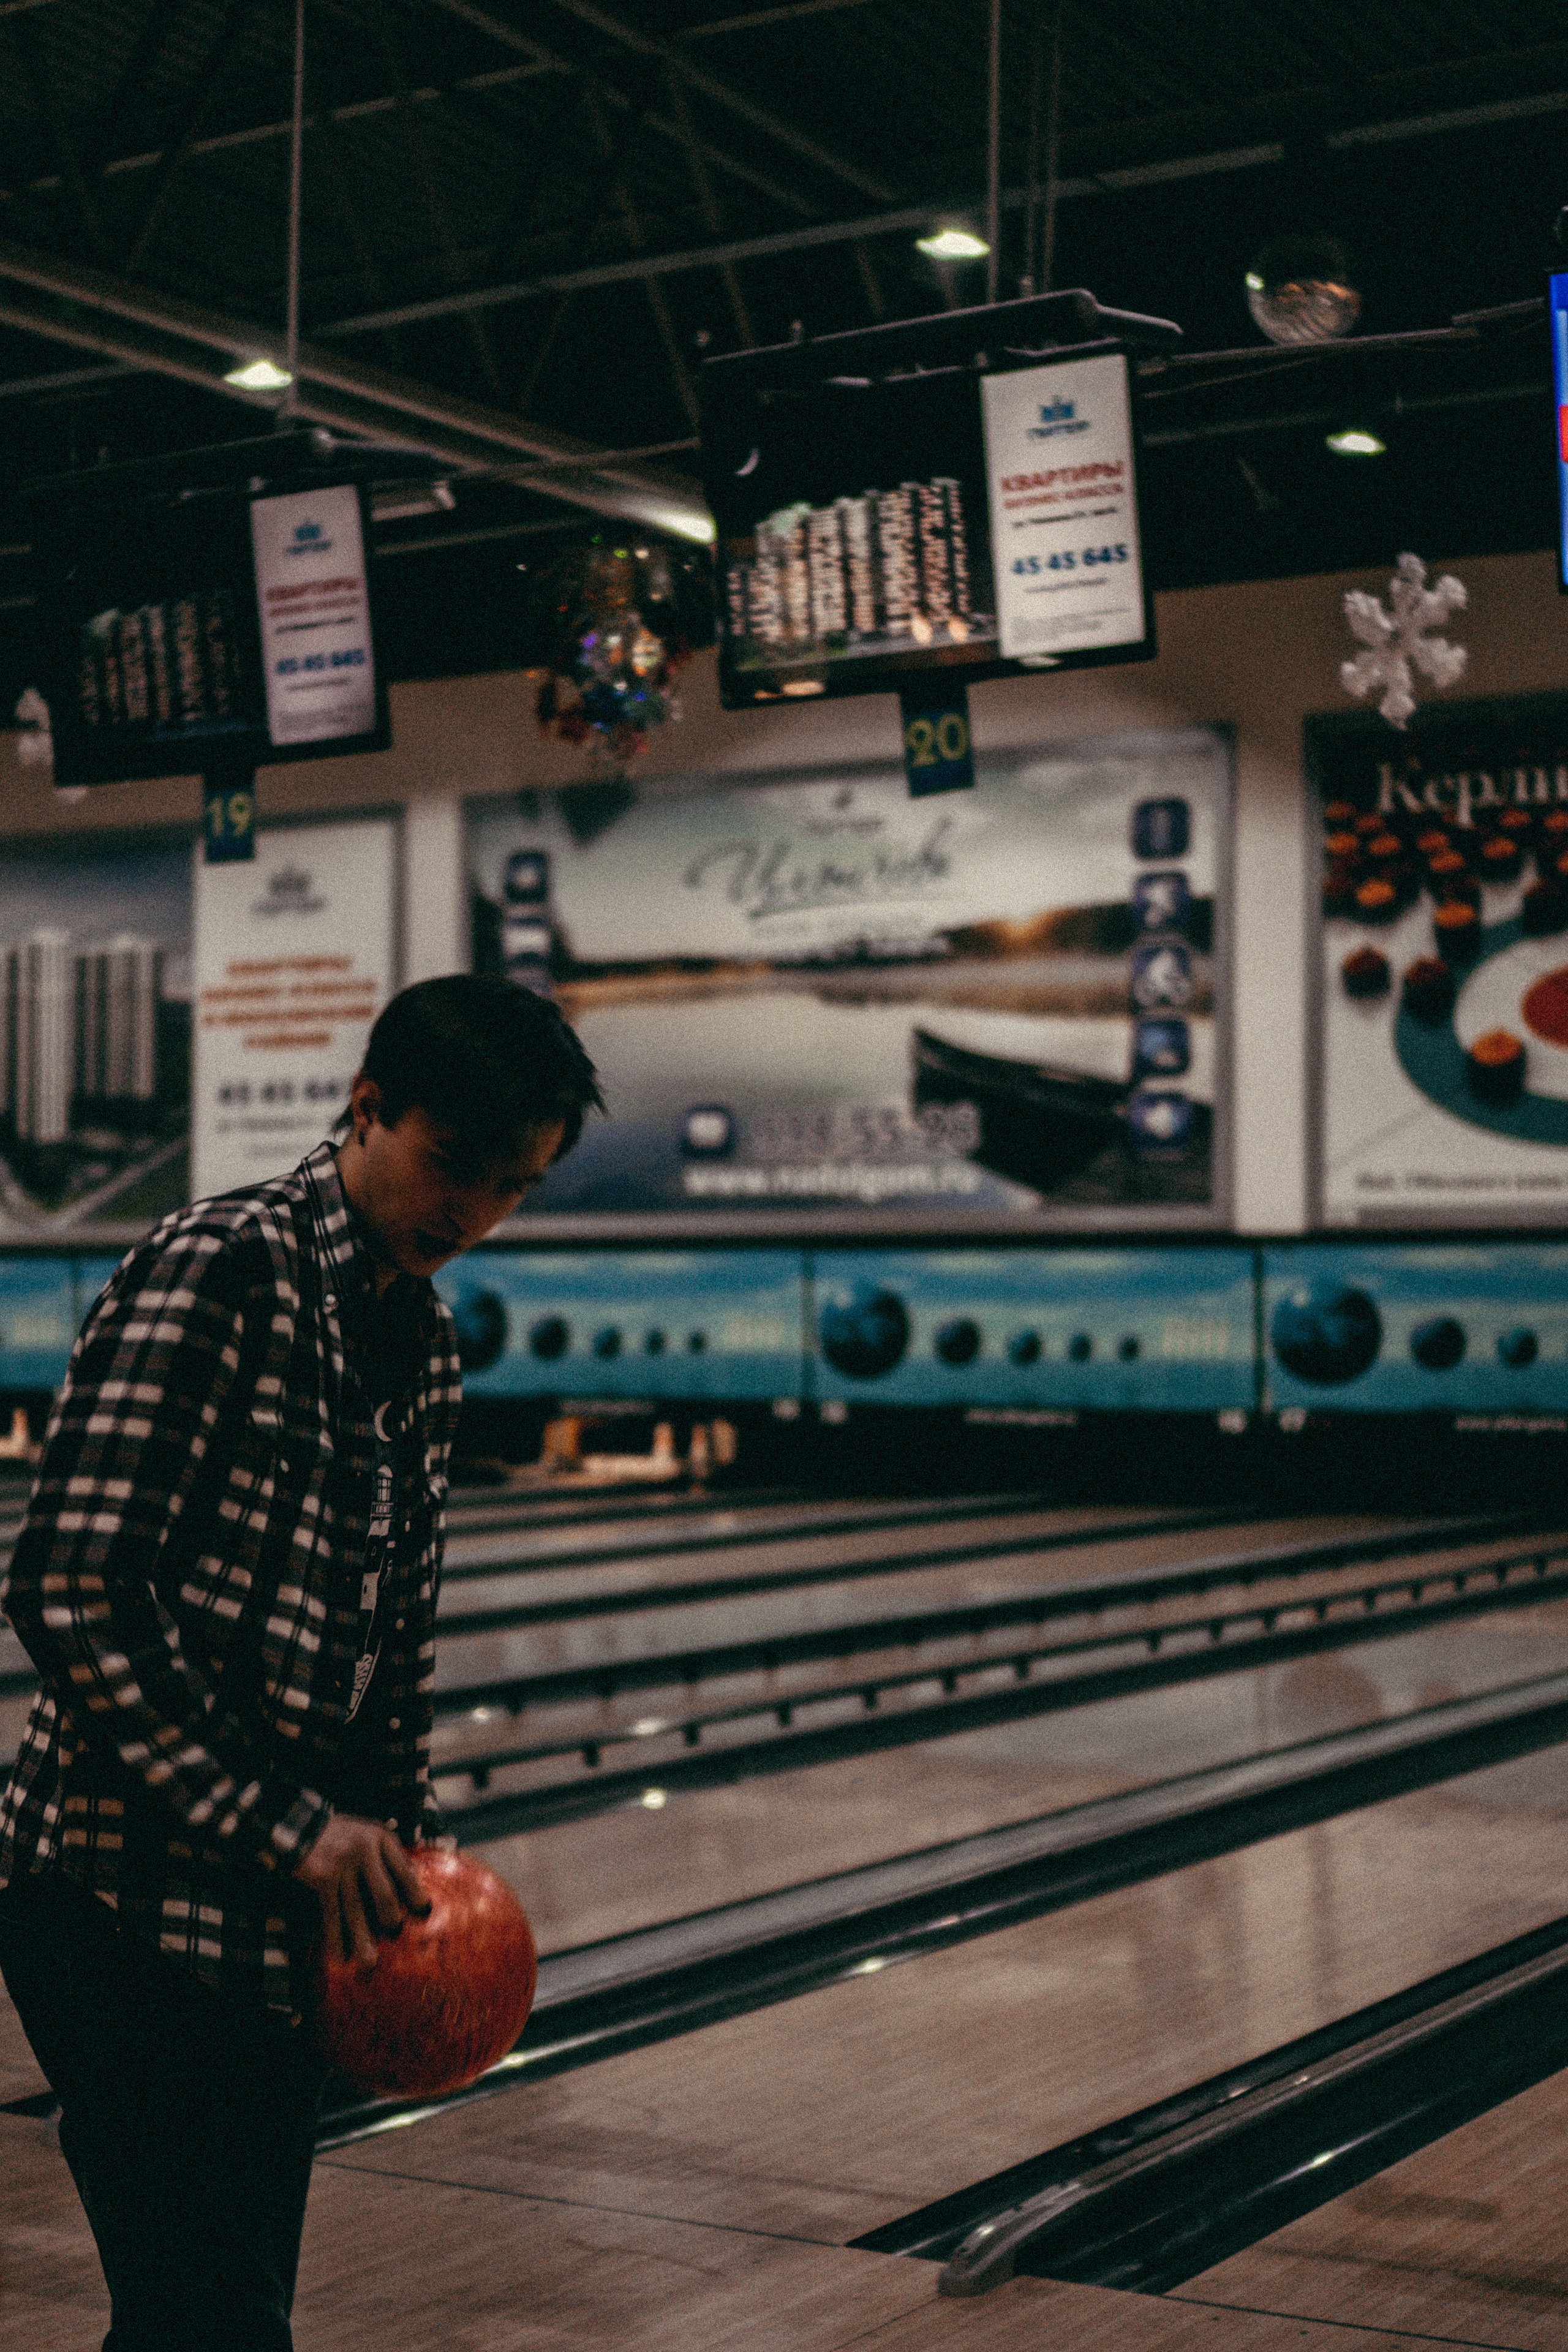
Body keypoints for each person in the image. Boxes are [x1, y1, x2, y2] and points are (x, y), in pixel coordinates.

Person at [0, 973, 601, 2352]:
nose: (473, 1212)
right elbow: (71, 1585)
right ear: (367, 1107)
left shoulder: (422, 1342)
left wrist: (403, 1843)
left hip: (280, 1931)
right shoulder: (220, 1267)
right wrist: (293, 1828)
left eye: (512, 1187)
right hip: (119, 1901)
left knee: (215, 2316)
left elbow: (388, 1641)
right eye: (454, 1165)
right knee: (210, 2317)